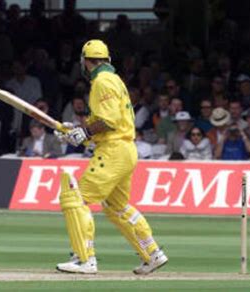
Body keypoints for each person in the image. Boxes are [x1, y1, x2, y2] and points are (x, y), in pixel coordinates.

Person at [54, 40, 167, 274]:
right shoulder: (113, 80)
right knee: (116, 206)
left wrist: (84, 132)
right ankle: (153, 253)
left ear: (86, 61)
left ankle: (84, 259)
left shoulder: (102, 82)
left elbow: (109, 121)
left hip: (113, 151)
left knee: (76, 198)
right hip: (125, 150)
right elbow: (108, 122)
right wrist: (74, 131)